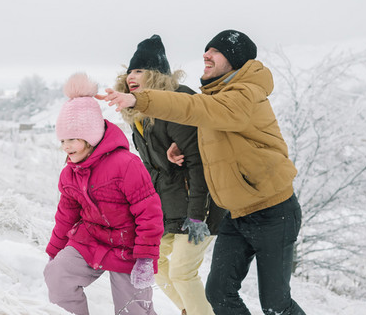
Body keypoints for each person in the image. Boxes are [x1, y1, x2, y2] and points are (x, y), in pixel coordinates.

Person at [97, 30, 306, 315]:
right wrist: (170, 155)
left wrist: (140, 100)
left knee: (276, 303)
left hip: (273, 212)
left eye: (215, 52)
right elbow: (210, 144)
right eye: (206, 50)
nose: (205, 55)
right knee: (218, 295)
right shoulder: (217, 96)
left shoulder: (245, 95)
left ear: (234, 60)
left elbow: (199, 109)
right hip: (236, 212)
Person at [114, 34, 226, 315]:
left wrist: (197, 216)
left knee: (182, 273)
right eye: (130, 71)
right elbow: (156, 169)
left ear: (156, 75)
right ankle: (191, 311)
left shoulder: (176, 106)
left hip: (200, 205)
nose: (131, 76)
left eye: (139, 70)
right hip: (169, 207)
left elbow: (199, 165)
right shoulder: (140, 116)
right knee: (153, 264)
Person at [44, 72, 164, 315]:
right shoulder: (70, 173)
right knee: (57, 278)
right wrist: (54, 253)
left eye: (73, 140)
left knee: (133, 310)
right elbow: (65, 217)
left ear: (91, 138)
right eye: (63, 140)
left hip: (129, 247)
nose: (66, 147)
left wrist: (145, 258)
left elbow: (149, 213)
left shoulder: (125, 165)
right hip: (91, 240)